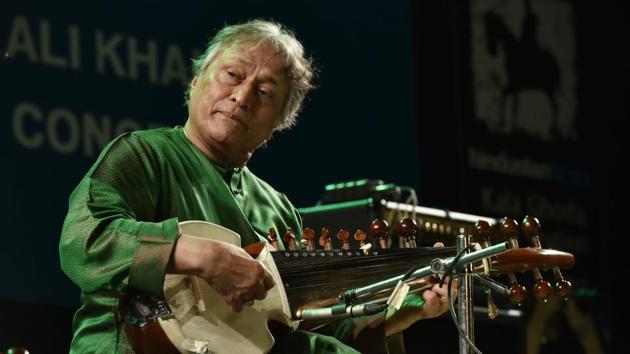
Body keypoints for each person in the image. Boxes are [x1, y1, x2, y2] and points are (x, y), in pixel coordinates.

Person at [59, 19, 456, 354]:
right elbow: (85, 240)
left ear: (280, 121)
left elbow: (294, 328)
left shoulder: (279, 211)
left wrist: (406, 311)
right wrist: (204, 257)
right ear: (196, 79)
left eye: (265, 92)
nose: (242, 96)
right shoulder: (144, 155)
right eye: (233, 75)